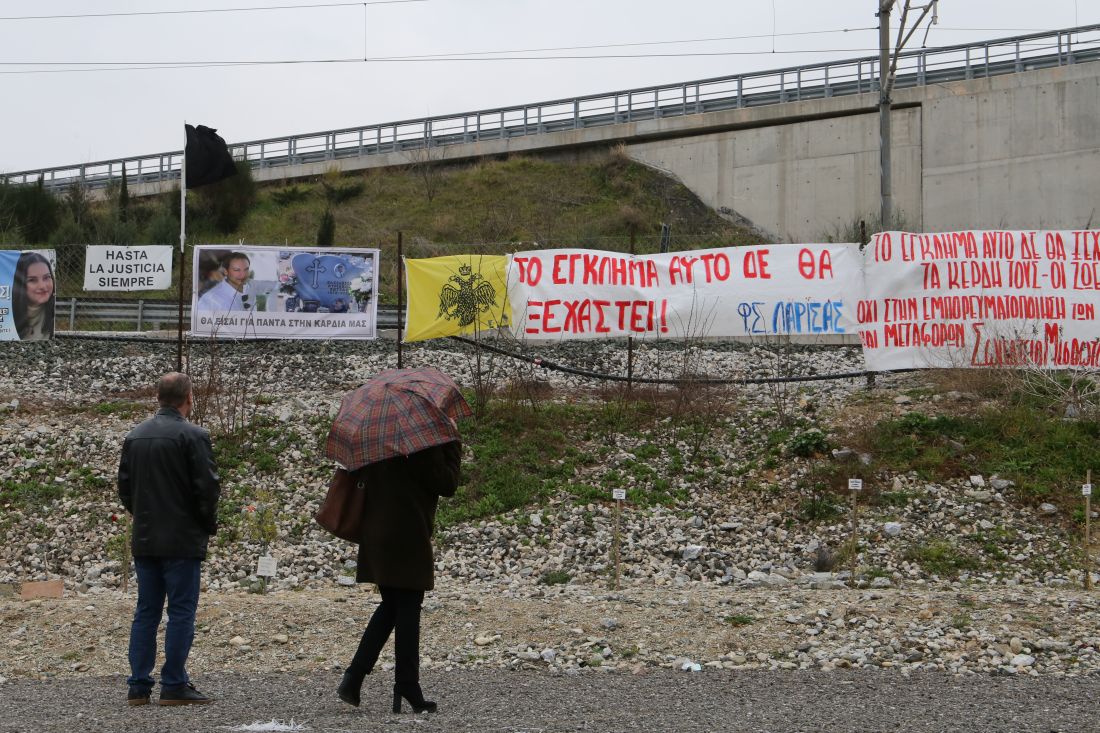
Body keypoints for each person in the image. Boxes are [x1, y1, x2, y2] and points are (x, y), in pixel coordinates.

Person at [118, 372, 221, 707]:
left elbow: (125, 488)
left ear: (158, 397)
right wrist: (206, 525)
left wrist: (143, 514)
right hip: (181, 539)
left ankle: (138, 685)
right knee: (180, 611)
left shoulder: (135, 436)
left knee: (146, 611)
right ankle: (174, 683)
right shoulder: (194, 435)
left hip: (146, 536)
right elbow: (207, 488)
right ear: (188, 398)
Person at [337, 440, 461, 714]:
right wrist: (452, 446)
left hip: (378, 531)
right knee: (407, 606)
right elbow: (447, 482)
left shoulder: (379, 434)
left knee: (393, 605)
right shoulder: (424, 441)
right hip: (407, 532)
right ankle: (406, 684)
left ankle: (354, 677)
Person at [12, 251, 55, 341]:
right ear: (20, 283)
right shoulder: (8, 315)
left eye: (47, 277)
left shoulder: (54, 313)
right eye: (32, 280)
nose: (43, 286)